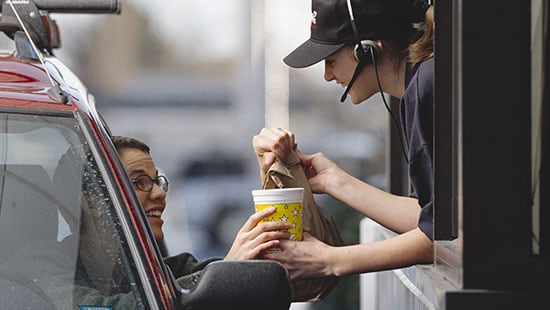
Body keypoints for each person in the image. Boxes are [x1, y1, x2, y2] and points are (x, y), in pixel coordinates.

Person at [252, 0, 435, 281]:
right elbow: (431, 219)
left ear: (368, 50)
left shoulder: (427, 88)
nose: (327, 76)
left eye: (331, 60)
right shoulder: (418, 87)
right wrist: (333, 180)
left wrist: (330, 260)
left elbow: (451, 233)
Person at [111, 135, 292, 288]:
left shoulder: (154, 268)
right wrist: (226, 271)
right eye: (139, 182)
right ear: (92, 197)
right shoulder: (88, 283)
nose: (160, 193)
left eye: (158, 181)